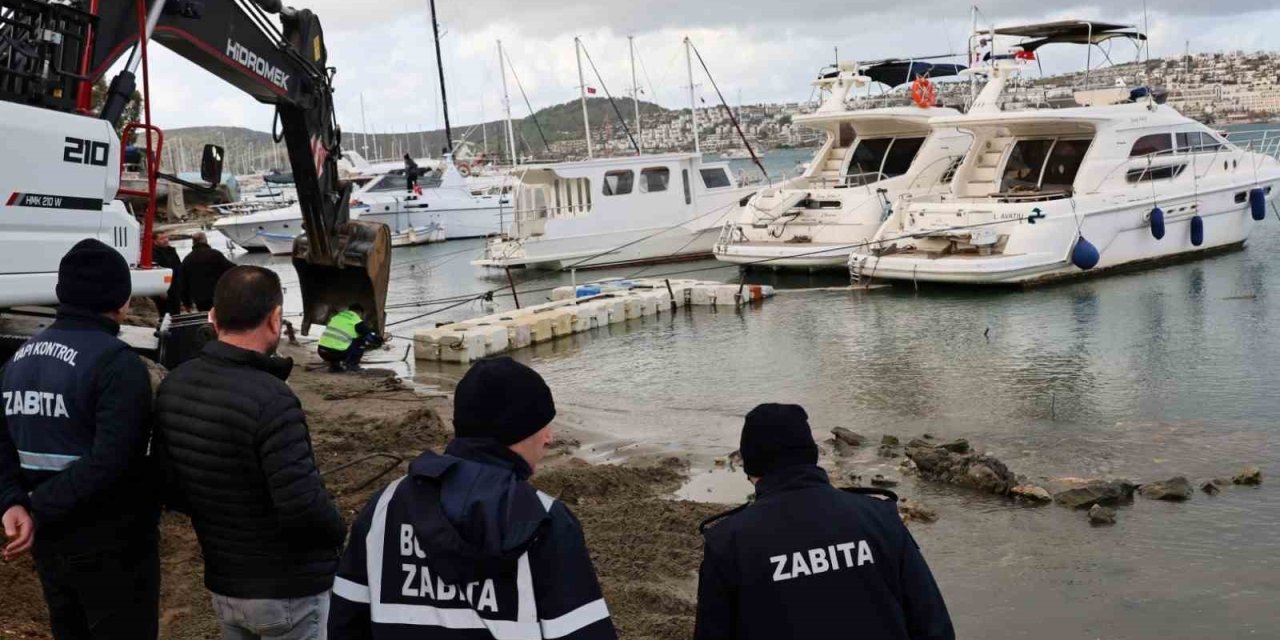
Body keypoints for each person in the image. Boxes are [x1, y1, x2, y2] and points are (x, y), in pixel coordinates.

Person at [329, 357, 617, 640]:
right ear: (516, 431)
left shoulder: (385, 506)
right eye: (542, 425)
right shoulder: (545, 521)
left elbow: (345, 622)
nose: (549, 438)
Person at [153, 266, 345, 640]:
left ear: (213, 316)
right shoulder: (273, 399)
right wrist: (339, 528)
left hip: (225, 585)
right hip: (288, 591)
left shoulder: (176, 384)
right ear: (275, 320)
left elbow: (171, 486)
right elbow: (302, 506)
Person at [0, 239, 160, 639]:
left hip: (50, 543)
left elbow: (2, 446)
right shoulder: (116, 363)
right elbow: (114, 460)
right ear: (121, 300)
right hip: (112, 543)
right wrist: (33, 506)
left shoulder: (17, 360)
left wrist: (13, 502)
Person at [694, 404, 954, 640]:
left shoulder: (727, 543)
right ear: (812, 455)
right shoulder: (880, 519)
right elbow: (934, 625)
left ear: (750, 468)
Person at [317, 303, 382, 373]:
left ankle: (334, 366)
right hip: (336, 353)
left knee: (339, 341)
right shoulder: (356, 321)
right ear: (360, 313)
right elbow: (370, 338)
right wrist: (379, 340)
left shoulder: (337, 317)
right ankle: (352, 366)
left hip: (322, 351)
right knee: (361, 341)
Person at [179, 231, 234, 312]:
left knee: (206, 317)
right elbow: (231, 269)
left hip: (199, 298)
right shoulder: (215, 254)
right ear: (205, 240)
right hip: (218, 293)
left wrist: (187, 303)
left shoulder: (187, 259)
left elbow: (183, 283)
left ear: (193, 242)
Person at [150, 230, 184, 317]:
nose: (165, 240)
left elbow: (178, 268)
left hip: (175, 288)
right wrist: (160, 289)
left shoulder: (171, 251)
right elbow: (154, 273)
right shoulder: (153, 254)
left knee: (176, 314)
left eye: (166, 237)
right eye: (162, 239)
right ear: (155, 241)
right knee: (165, 315)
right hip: (162, 290)